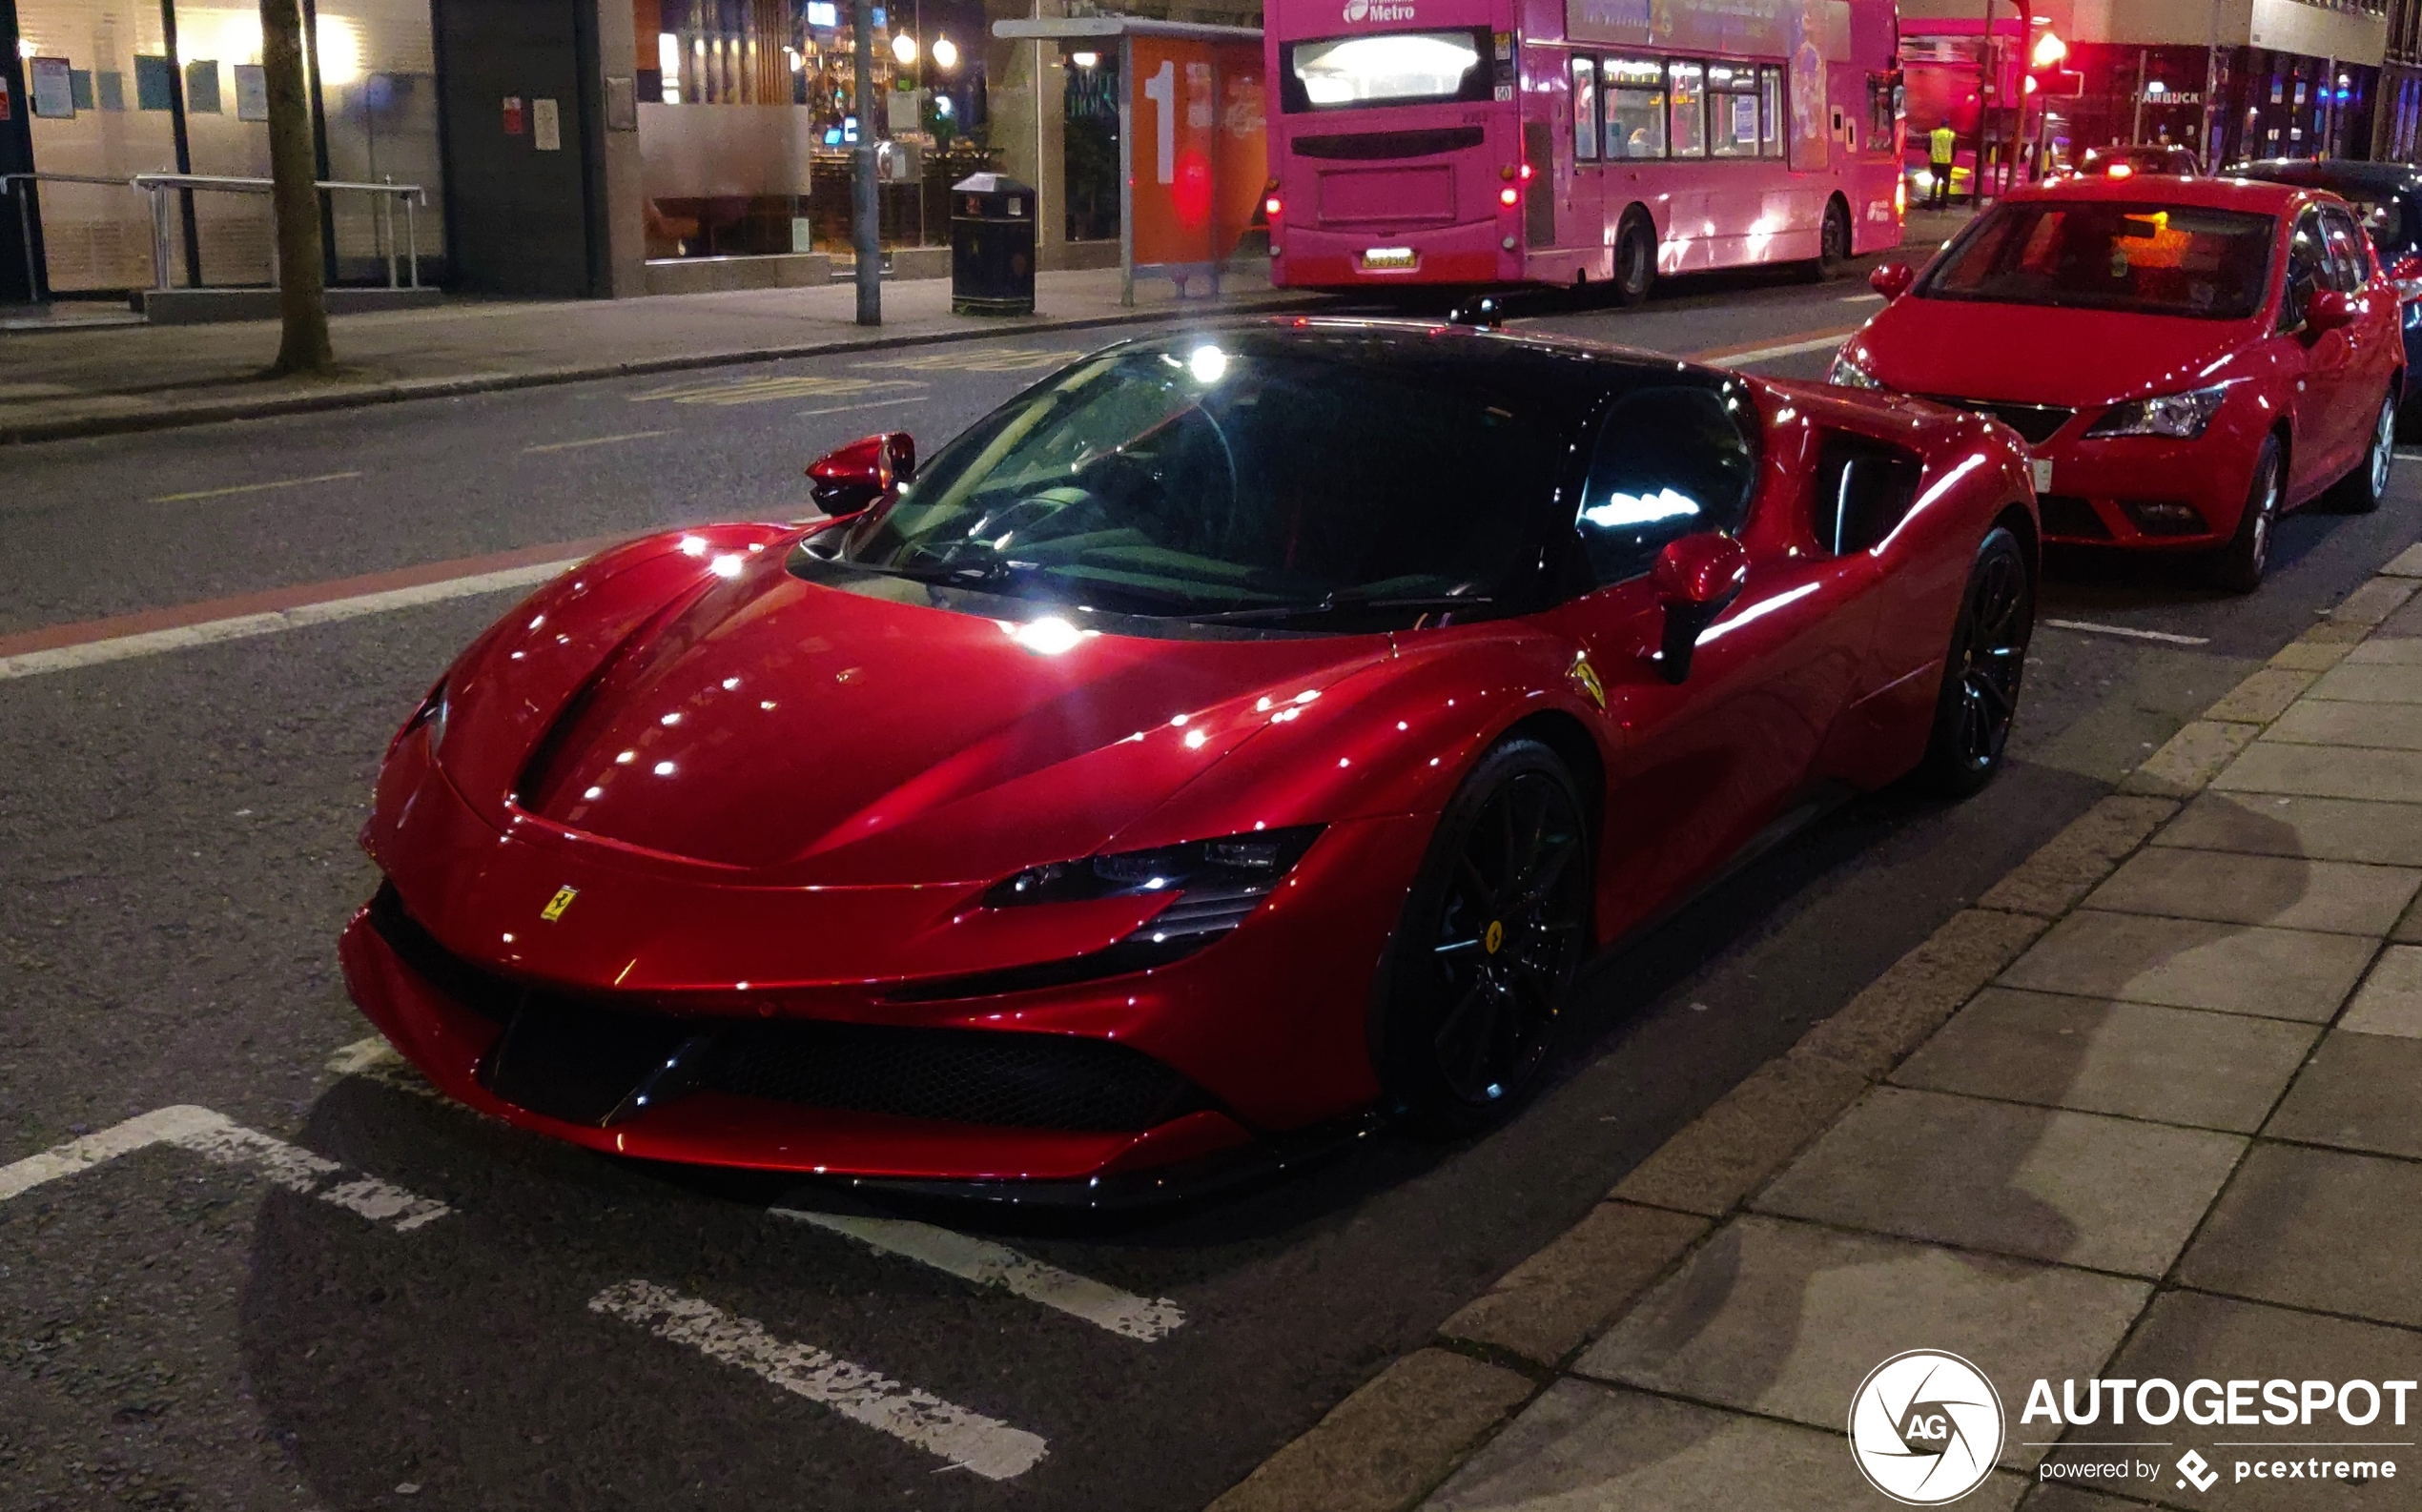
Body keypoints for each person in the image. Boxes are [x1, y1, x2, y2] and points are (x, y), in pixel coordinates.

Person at [1928, 122, 1958, 208]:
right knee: (1945, 185)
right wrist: (1952, 159)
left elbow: (1927, 146)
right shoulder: (1951, 135)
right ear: (1948, 125)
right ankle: (1943, 204)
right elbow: (1954, 149)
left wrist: (1931, 155)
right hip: (1946, 163)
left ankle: (1931, 203)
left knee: (1934, 183)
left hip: (1935, 162)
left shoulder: (1933, 134)